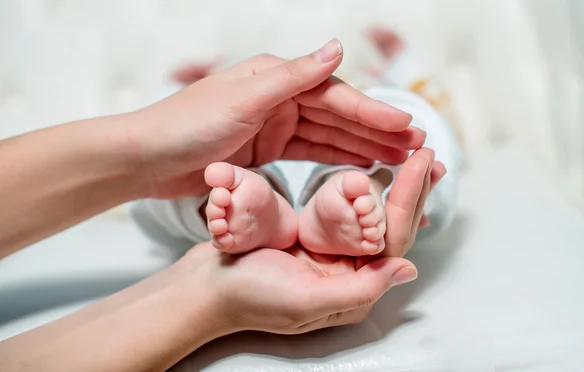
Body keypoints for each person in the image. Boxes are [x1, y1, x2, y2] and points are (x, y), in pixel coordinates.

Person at [0, 39, 443, 371]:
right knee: (420, 129)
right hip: (299, 159)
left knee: (199, 194)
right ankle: (357, 196)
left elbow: (166, 115)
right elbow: (428, 93)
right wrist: (405, 65)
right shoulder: (382, 94)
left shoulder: (374, 92)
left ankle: (319, 201)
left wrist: (156, 134)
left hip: (252, 166)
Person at [133, 27, 461, 258]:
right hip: (248, 144)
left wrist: (175, 88)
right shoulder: (230, 100)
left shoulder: (366, 86)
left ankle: (224, 207)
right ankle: (363, 189)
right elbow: (432, 99)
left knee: (397, 125)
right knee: (416, 123)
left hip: (351, 140)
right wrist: (402, 60)